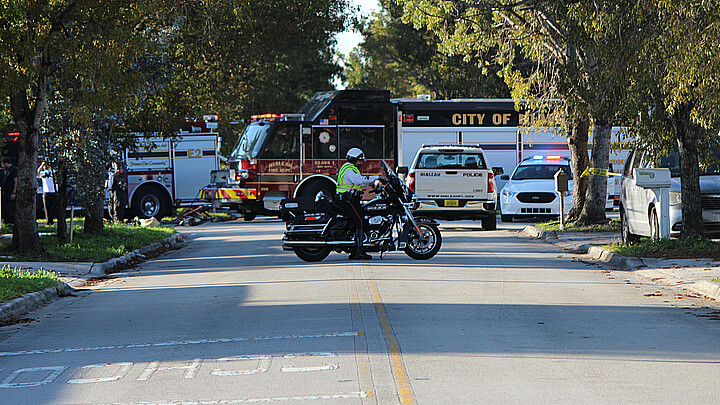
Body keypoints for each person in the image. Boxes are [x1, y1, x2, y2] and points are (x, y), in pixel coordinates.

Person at [336, 148, 381, 260]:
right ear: (353, 159)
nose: (361, 163)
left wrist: (370, 185)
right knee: (360, 221)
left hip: (349, 200)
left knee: (360, 218)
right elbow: (358, 180)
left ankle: (355, 248)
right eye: (359, 161)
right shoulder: (349, 169)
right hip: (347, 201)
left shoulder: (350, 169)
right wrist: (377, 178)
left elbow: (355, 184)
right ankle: (358, 250)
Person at [37, 160, 58, 225]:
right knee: (47, 208)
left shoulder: (54, 172)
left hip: (54, 191)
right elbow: (37, 174)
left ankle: (57, 220)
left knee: (55, 208)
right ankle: (49, 222)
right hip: (47, 191)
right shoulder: (44, 173)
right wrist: (41, 165)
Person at [1, 158, 18, 224]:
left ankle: (12, 222)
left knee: (10, 208)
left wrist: (14, 192)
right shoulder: (6, 171)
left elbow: (16, 180)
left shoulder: (13, 169)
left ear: (6, 163)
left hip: (11, 190)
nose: (3, 166)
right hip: (5, 191)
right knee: (5, 207)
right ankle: (6, 221)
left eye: (3, 164)